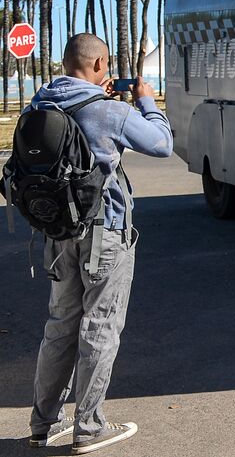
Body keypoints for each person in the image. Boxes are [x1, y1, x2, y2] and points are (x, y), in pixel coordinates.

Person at [24, 34, 173, 453]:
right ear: (101, 64)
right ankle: (89, 428)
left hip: (57, 231)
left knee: (60, 326)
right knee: (101, 327)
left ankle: (42, 424)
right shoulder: (110, 110)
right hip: (104, 230)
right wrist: (145, 102)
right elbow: (162, 145)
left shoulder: (41, 101)